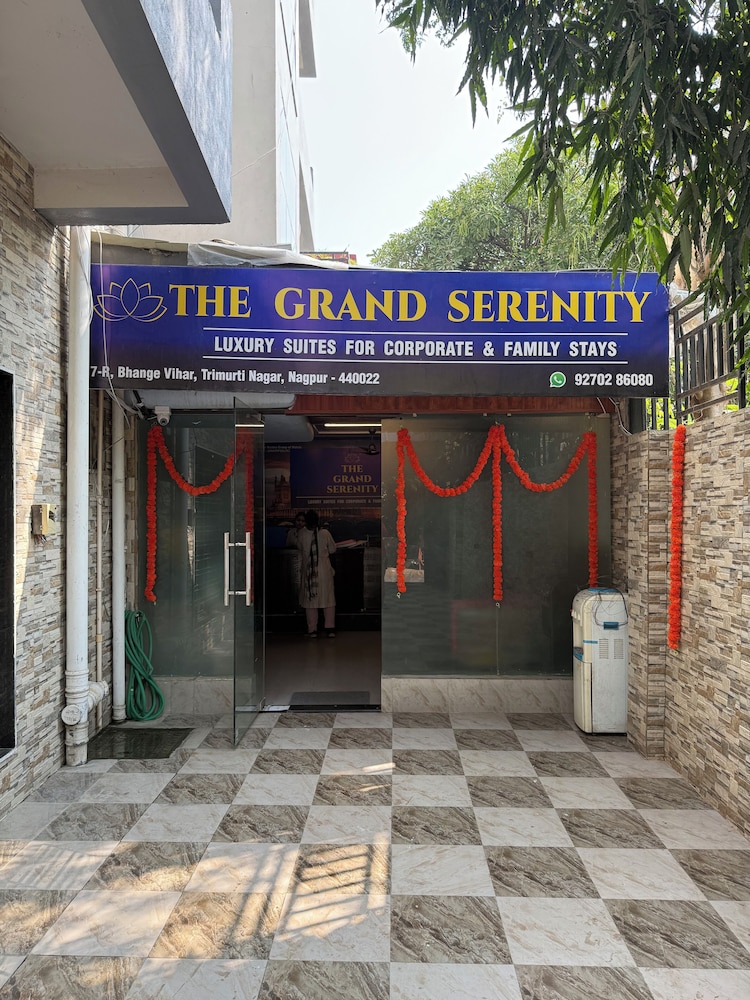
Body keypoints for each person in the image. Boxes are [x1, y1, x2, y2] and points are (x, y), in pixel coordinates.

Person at [297, 509, 337, 637]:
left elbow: (299, 548)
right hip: (324, 571)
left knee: (310, 601)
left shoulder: (302, 534)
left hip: (309, 572)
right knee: (328, 600)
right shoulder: (325, 533)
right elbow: (333, 549)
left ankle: (312, 629)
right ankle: (330, 629)